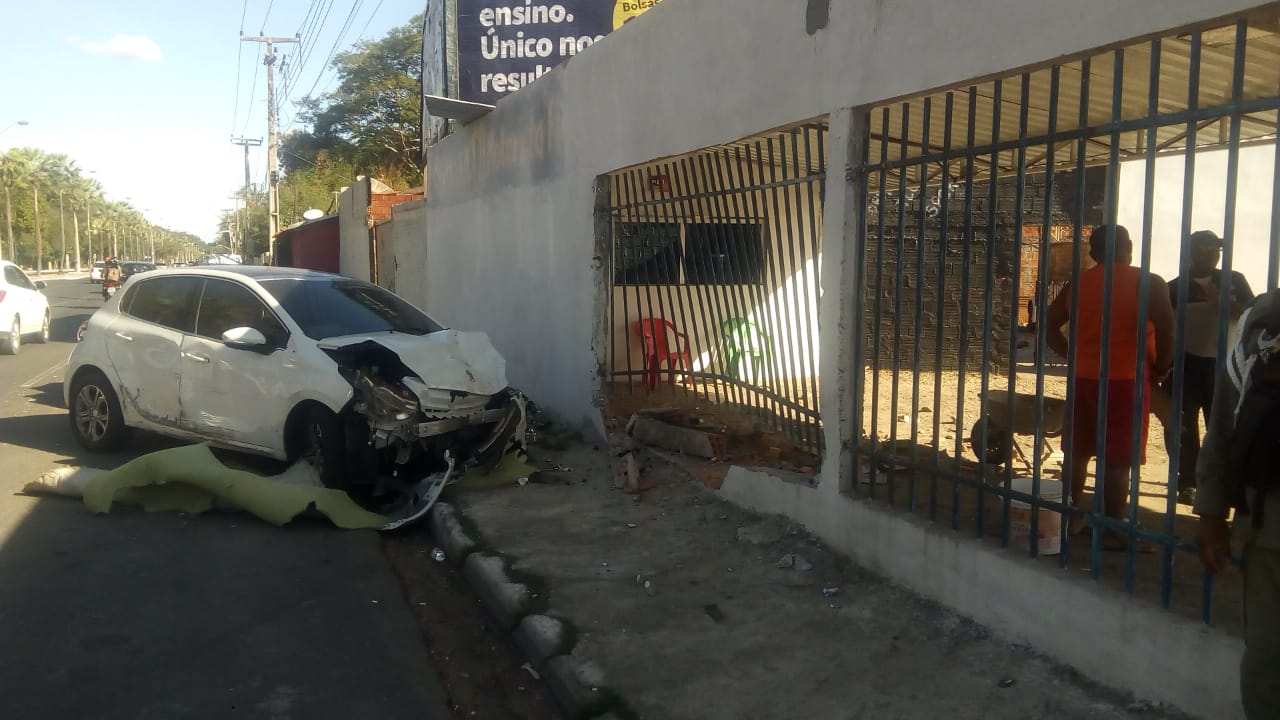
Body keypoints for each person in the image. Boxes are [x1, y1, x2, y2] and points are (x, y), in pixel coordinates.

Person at [1044, 225, 1176, 548]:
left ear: (1093, 253)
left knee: (1077, 451)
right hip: (1126, 381)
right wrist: (1160, 368)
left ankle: (1069, 517)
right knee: (1118, 459)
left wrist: (1073, 355)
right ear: (1129, 248)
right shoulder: (1149, 283)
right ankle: (1113, 527)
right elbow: (1168, 329)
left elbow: (1048, 326)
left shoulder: (1079, 285)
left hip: (1084, 378)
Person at [1195, 289, 1280, 719]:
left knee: (1268, 658)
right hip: (1269, 528)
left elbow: (1223, 425)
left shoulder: (1264, 317)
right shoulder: (1265, 319)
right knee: (1268, 658)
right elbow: (1226, 421)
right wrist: (1211, 513)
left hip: (1268, 529)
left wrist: (1212, 514)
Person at [1162, 230, 1254, 506]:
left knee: (1224, 425)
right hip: (1186, 364)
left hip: (1224, 365)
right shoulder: (1175, 287)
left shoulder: (1234, 281)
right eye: (1208, 248)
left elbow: (1250, 315)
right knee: (1182, 426)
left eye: (1218, 249)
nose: (1215, 254)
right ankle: (1187, 482)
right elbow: (1162, 324)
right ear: (1192, 251)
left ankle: (1221, 482)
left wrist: (1221, 300)